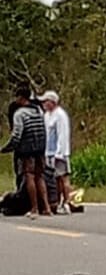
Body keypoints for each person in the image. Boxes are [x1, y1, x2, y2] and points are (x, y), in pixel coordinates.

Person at [1, 86, 51, 218]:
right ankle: (46, 208)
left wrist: (7, 148)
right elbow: (43, 130)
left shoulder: (20, 114)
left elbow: (17, 135)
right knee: (40, 177)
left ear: (21, 98)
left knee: (29, 177)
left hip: (26, 150)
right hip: (40, 148)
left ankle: (34, 208)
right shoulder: (38, 111)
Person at [41, 90, 73, 215]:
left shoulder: (60, 115)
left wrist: (60, 153)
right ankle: (57, 201)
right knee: (54, 179)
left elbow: (63, 134)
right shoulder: (47, 115)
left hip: (59, 153)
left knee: (63, 178)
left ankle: (66, 202)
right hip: (48, 152)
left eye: (46, 101)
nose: (44, 103)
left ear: (52, 102)